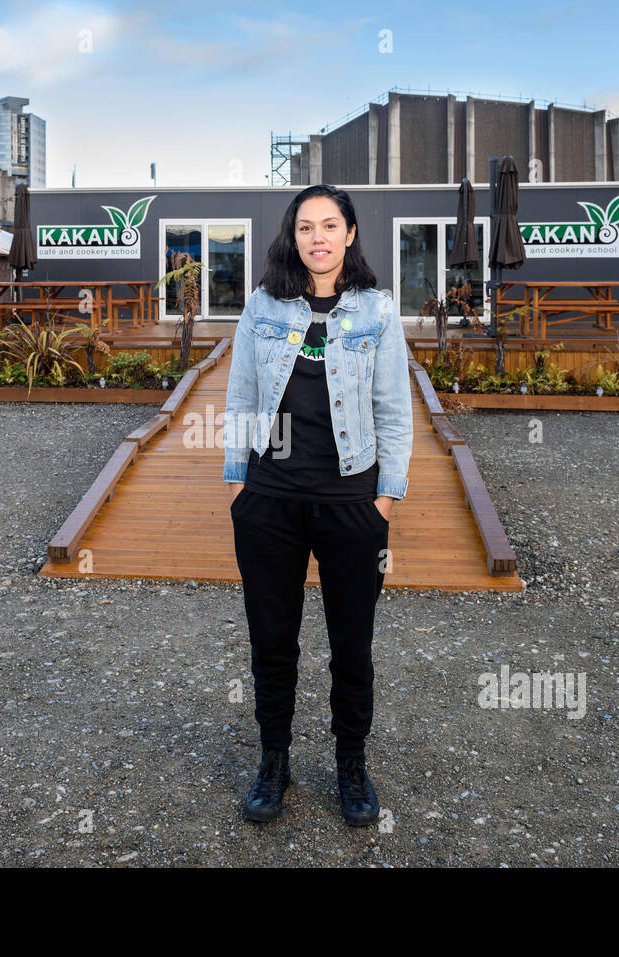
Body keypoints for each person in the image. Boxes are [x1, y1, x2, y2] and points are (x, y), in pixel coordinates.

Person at [222, 184, 413, 826]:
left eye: (330, 225)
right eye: (306, 227)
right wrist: (237, 482)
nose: (318, 238)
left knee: (351, 641)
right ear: (293, 236)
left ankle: (351, 764)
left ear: (350, 234)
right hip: (270, 498)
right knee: (271, 641)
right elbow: (243, 392)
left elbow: (394, 409)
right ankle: (273, 761)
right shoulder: (264, 304)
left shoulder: (378, 312)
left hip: (351, 500)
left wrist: (386, 497)